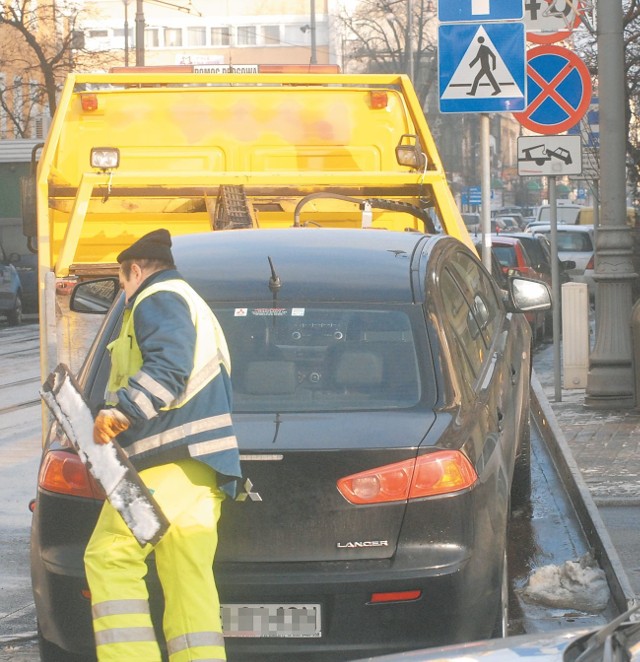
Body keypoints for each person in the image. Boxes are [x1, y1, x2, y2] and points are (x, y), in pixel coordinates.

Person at [84, 228, 242, 662]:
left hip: (164, 459)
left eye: (122, 280)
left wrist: (122, 412)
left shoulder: (158, 296)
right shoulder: (190, 301)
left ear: (135, 270)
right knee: (187, 576)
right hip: (200, 467)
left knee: (109, 556)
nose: (124, 289)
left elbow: (169, 367)